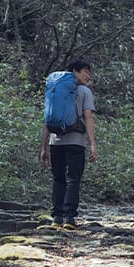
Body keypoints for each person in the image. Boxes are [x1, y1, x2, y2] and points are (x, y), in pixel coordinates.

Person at [39, 60, 97, 227]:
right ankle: (69, 217)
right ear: (75, 71)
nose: (88, 76)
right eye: (85, 71)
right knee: (73, 179)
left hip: (55, 142)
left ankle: (57, 216)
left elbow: (46, 120)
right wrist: (92, 144)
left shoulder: (54, 90)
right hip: (76, 142)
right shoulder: (85, 91)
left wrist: (43, 147)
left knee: (58, 179)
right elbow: (88, 118)